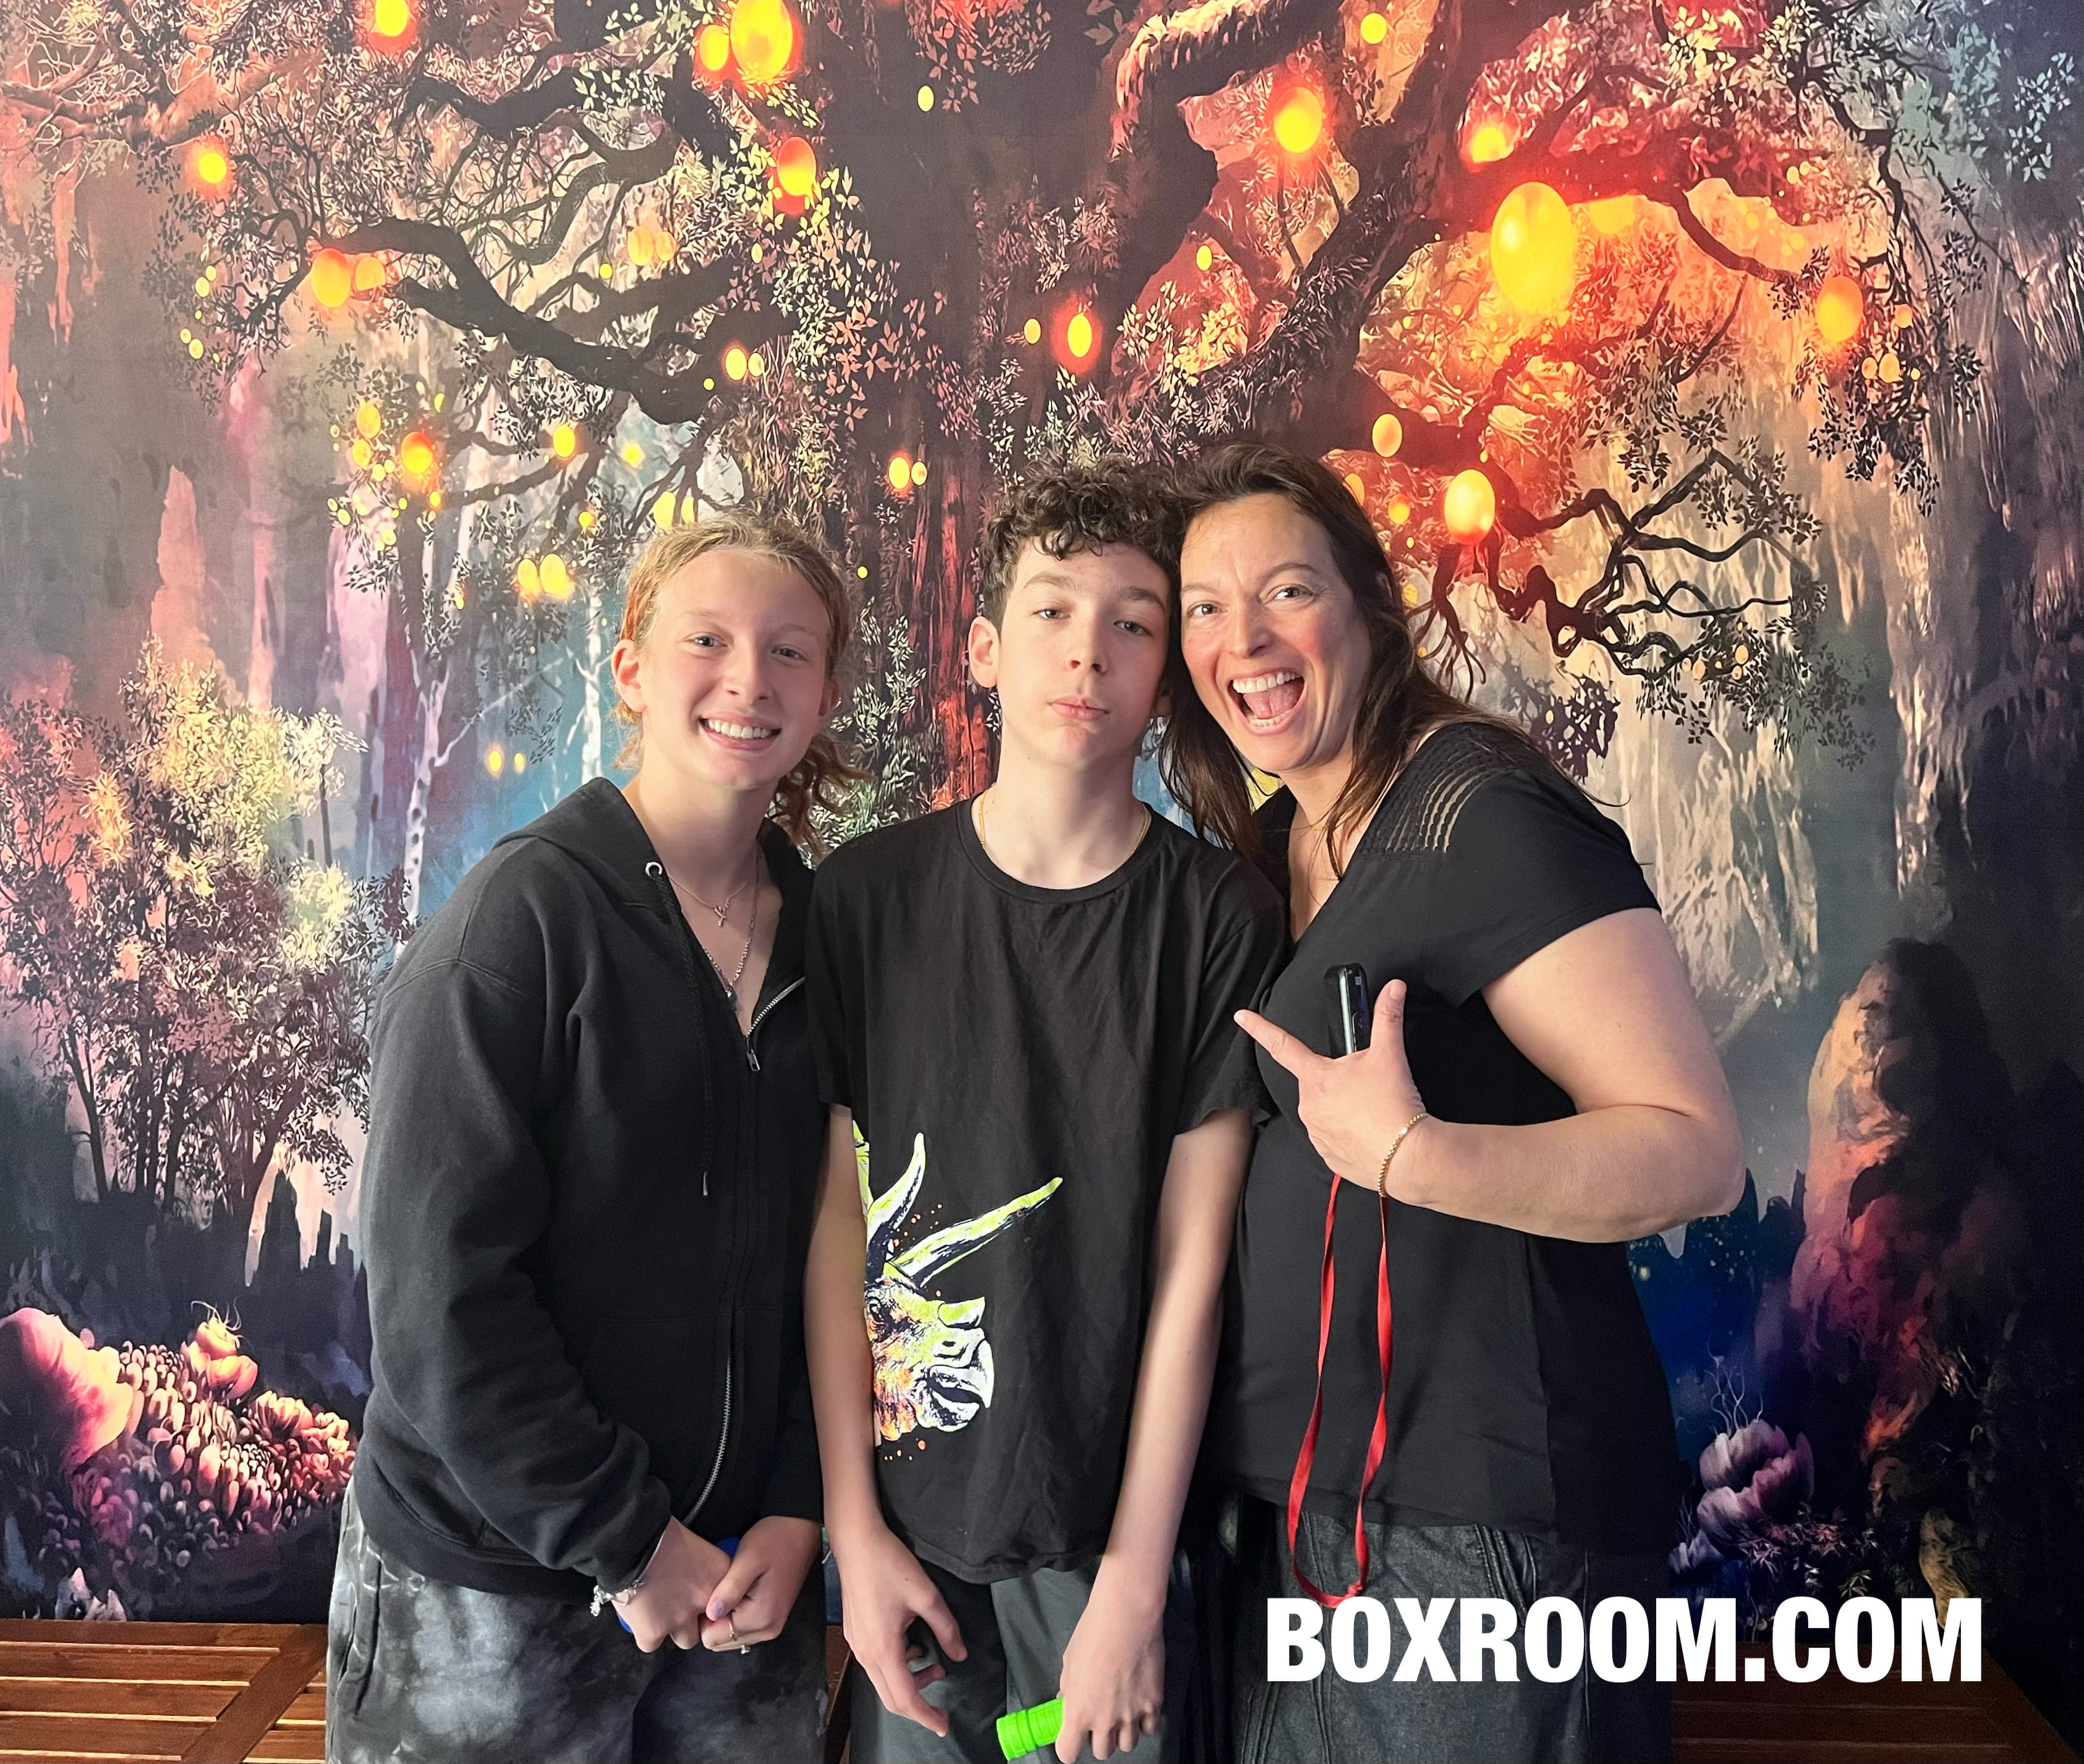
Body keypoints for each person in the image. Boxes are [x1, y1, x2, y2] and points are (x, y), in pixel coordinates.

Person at [1162, 443, 1745, 1764]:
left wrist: (1418, 1155)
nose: (1243, 639)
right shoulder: (1279, 846)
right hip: (1302, 1528)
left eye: (1287, 590)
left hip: (1483, 1532)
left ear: (1371, 605)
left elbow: (1696, 1148)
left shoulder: (1480, 807)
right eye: (1205, 606)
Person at [329, 514, 858, 1764]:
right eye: (707, 640)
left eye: (789, 650)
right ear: (630, 669)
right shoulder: (519, 927)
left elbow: (838, 1255)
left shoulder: (831, 941)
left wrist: (799, 1501)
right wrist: (626, 1539)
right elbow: (438, 1296)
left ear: (826, 694)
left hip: (744, 1593)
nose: (749, 678)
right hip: (496, 1597)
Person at [803, 464, 1286, 1764]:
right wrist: (854, 1530)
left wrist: (1133, 1584)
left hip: (1112, 1536)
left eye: (1133, 622)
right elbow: (835, 1227)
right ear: (984, 650)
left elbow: (1192, 1270)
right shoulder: (863, 901)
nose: (1089, 652)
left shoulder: (1217, 917)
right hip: (910, 1536)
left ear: (1166, 670)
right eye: (1054, 611)